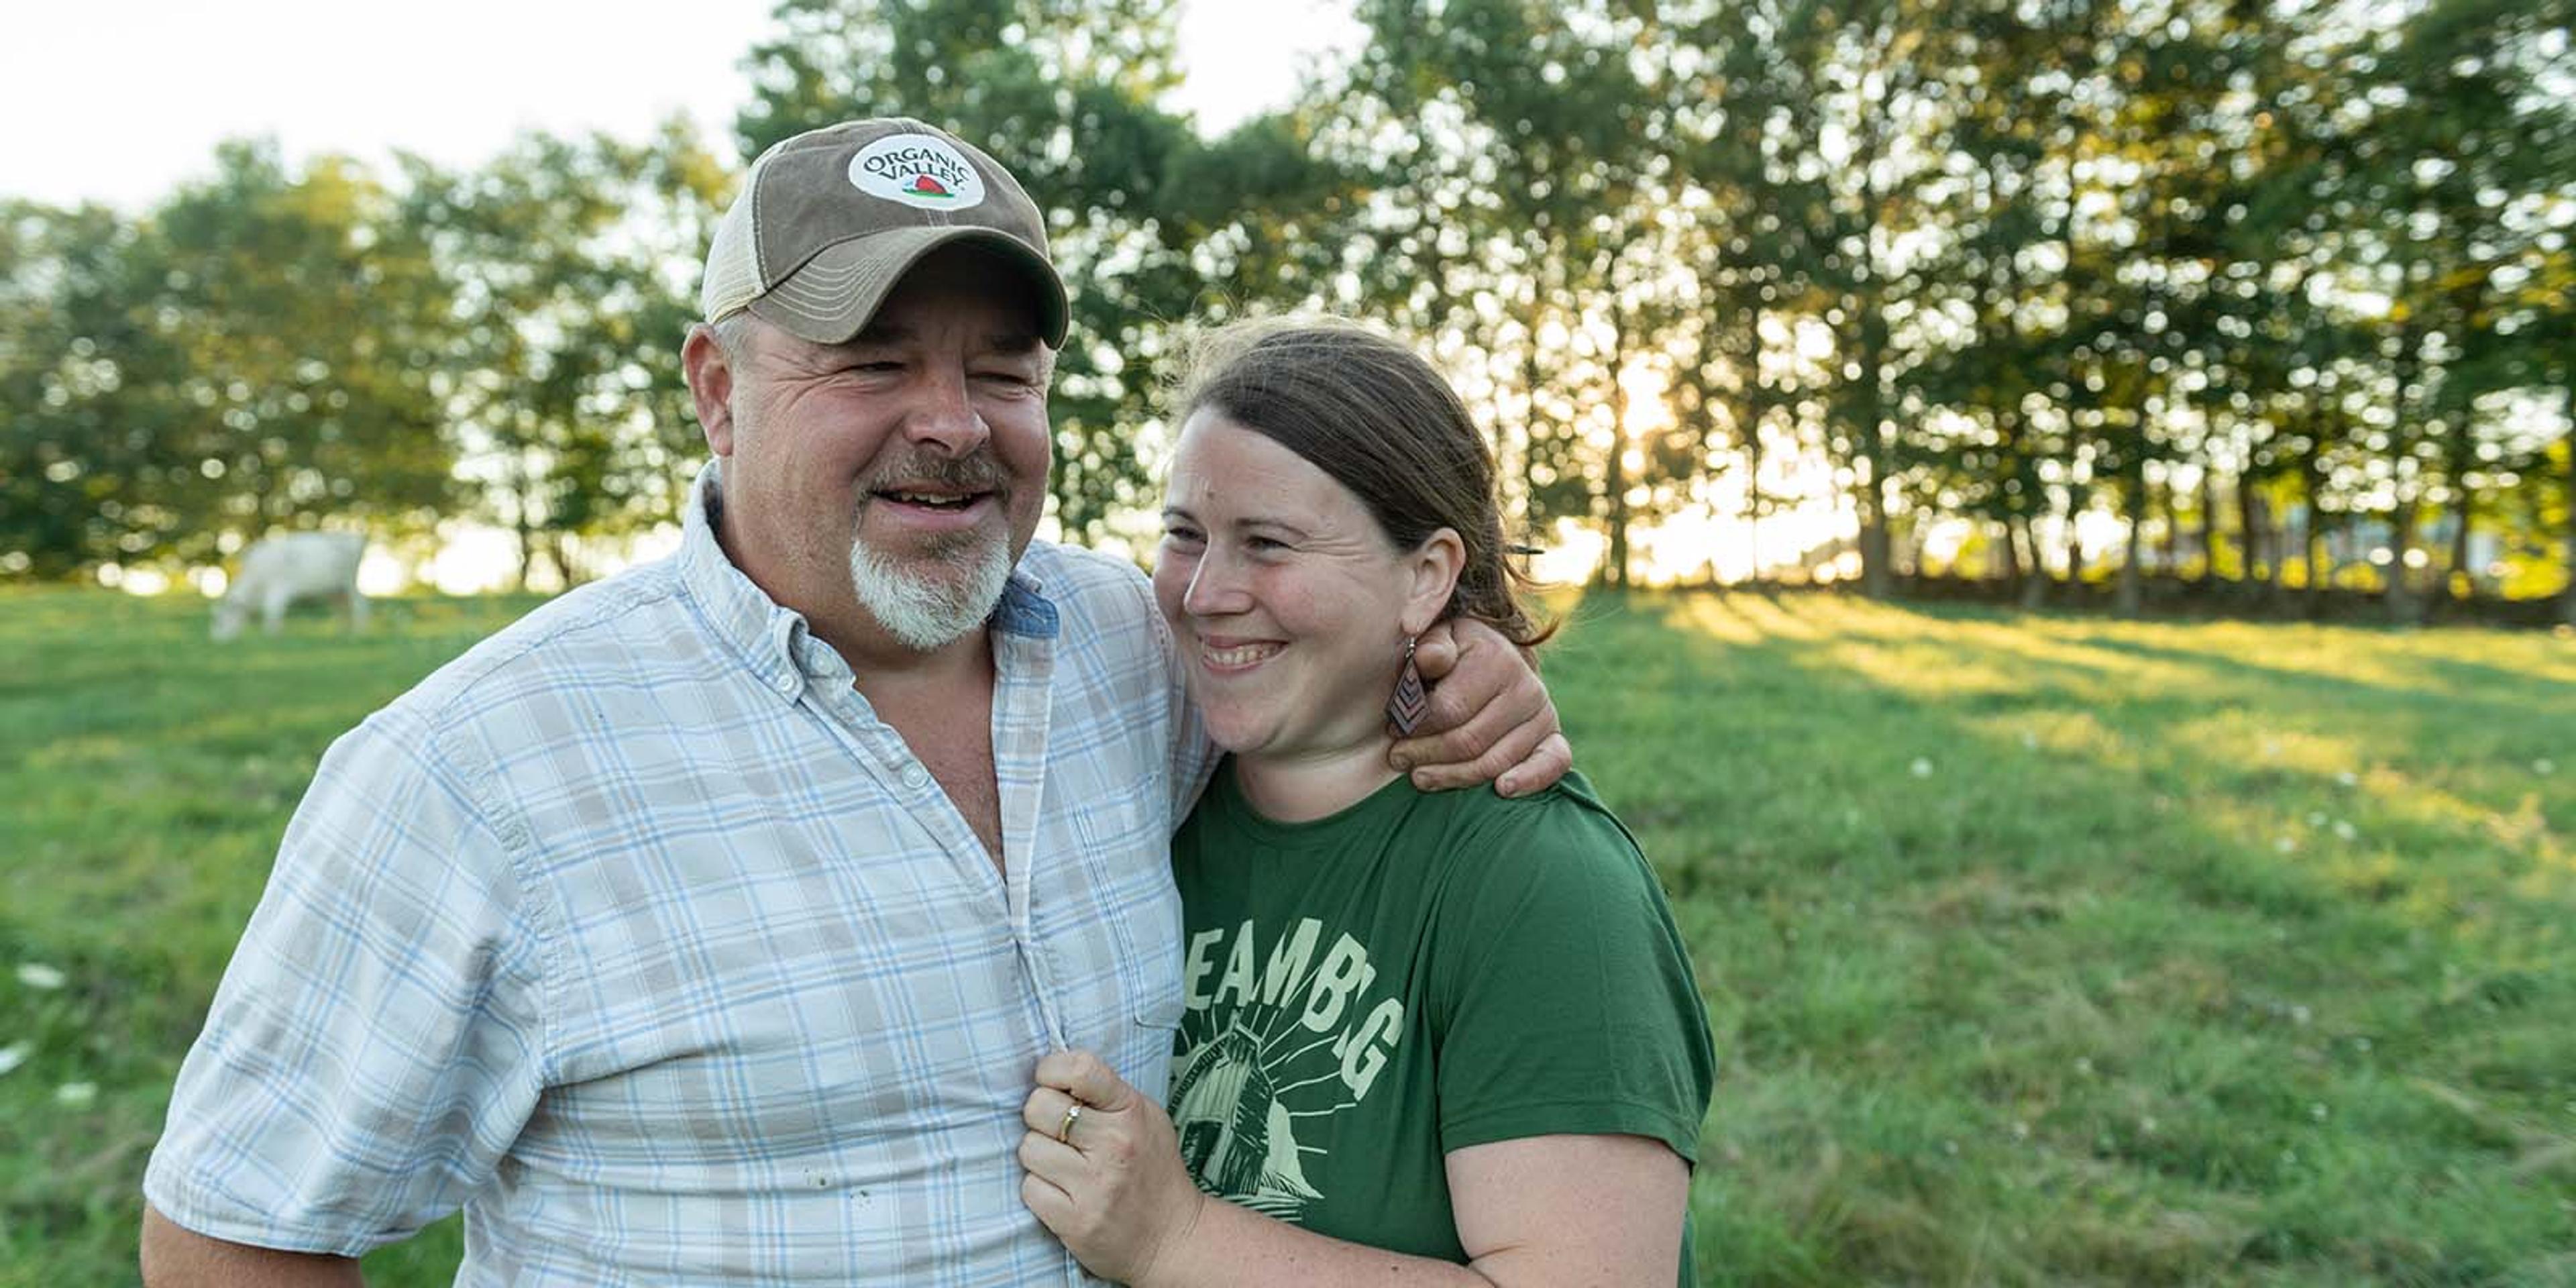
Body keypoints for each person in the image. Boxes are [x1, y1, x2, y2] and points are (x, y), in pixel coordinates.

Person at [138, 119, 1569, 1286]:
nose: (950, 423)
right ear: (717, 389)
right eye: (873, 362)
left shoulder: (1141, 651)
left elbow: (1336, 680)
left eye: (999, 371)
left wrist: (1457, 669)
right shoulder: (475, 773)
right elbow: (231, 1231)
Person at [1012, 319, 1714, 1287]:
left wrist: (1177, 1238)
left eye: (1268, 543)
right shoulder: (1140, 799)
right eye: (1184, 535)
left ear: (1426, 577)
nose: (1206, 592)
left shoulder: (1545, 887)